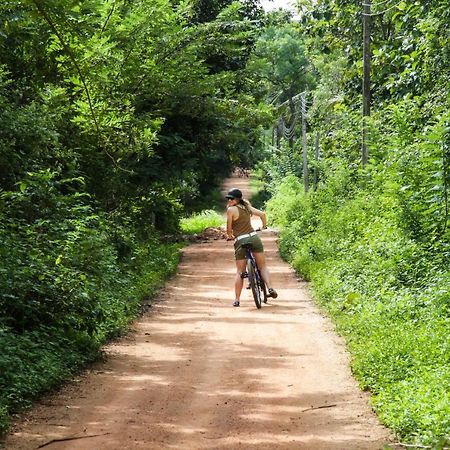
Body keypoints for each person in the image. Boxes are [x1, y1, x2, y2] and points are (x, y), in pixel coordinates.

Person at [225, 188, 278, 307]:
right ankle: (269, 288)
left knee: (240, 272)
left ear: (237, 199)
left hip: (241, 240)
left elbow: (229, 229)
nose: (229, 200)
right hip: (254, 237)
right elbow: (262, 214)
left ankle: (237, 300)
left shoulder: (231, 210)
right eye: (228, 199)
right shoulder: (247, 205)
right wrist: (264, 226)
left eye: (231, 198)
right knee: (262, 266)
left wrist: (229, 236)